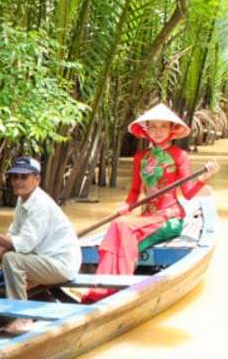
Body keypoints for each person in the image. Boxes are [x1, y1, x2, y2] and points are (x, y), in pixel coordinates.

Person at [82, 103, 220, 302]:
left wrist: (203, 179)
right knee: (118, 224)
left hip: (169, 217)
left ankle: (116, 288)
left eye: (163, 126)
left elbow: (188, 195)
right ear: (146, 129)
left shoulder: (179, 156)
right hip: (146, 216)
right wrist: (127, 205)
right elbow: (135, 191)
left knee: (123, 227)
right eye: (153, 126)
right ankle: (107, 285)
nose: (157, 131)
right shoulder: (141, 157)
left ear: (172, 129)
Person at [0, 156, 81, 303]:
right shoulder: (23, 199)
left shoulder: (39, 204)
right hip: (43, 256)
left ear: (37, 179)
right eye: (15, 177)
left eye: (24, 177)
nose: (18, 181)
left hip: (61, 264)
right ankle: (28, 284)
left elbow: (23, 245)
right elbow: (14, 233)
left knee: (11, 259)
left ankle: (20, 314)